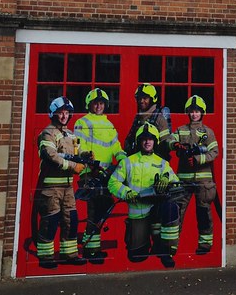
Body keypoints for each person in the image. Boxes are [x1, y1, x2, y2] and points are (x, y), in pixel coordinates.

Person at [108, 123, 181, 268]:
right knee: (136, 257)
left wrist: (167, 177)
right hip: (138, 214)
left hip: (156, 211)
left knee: (171, 208)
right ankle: (146, 243)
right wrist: (126, 192)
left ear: (155, 142)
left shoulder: (162, 163)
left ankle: (165, 251)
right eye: (144, 139)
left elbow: (176, 184)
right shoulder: (128, 162)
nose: (147, 142)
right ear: (139, 141)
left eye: (151, 139)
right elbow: (113, 182)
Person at [33, 96, 87, 269]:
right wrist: (73, 165)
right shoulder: (48, 133)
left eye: (66, 113)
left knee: (71, 220)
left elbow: (78, 152)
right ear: (53, 113)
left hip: (68, 186)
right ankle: (46, 257)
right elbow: (51, 155)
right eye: (60, 113)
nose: (64, 116)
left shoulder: (71, 135)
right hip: (51, 187)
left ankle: (69, 254)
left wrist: (86, 158)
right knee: (51, 221)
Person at [72, 87, 123, 263]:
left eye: (101, 103)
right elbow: (79, 146)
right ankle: (89, 251)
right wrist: (90, 161)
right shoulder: (82, 122)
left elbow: (116, 146)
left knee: (103, 210)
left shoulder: (109, 124)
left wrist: (123, 157)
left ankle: (92, 247)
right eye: (96, 103)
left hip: (107, 174)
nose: (99, 106)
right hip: (90, 172)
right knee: (94, 210)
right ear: (90, 104)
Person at [172, 94, 220, 254]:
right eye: (192, 111)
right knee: (176, 213)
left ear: (202, 113)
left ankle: (205, 246)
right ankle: (172, 246)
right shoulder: (181, 130)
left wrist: (198, 159)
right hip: (183, 181)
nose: (194, 114)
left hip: (203, 182)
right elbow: (169, 141)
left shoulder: (208, 132)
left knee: (203, 214)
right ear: (188, 112)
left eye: (197, 111)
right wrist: (176, 145)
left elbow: (215, 152)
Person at [122, 83, 174, 157]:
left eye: (145, 98)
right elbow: (130, 139)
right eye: (139, 98)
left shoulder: (159, 119)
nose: (141, 101)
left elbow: (165, 144)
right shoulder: (138, 117)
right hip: (138, 160)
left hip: (153, 162)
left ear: (152, 99)